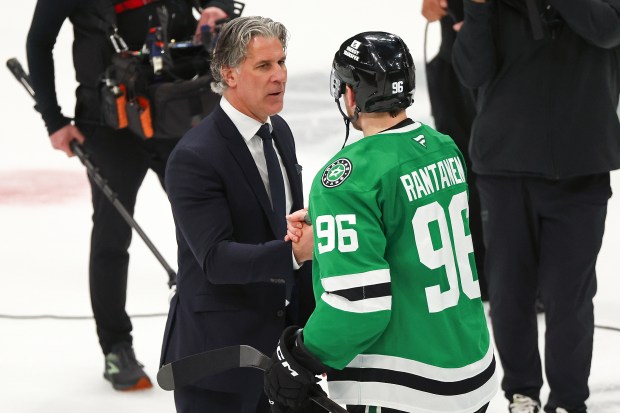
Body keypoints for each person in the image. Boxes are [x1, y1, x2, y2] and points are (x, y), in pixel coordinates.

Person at [263, 31, 498, 413]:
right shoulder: (443, 147)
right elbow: (407, 226)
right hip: (473, 369)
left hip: (407, 386)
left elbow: (357, 307)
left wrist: (301, 356)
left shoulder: (345, 179)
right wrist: (332, 223)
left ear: (351, 95)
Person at [26, 0, 235, 391]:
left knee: (207, 227)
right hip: (108, 119)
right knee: (112, 233)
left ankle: (219, 335)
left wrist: (217, 9)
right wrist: (54, 121)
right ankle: (116, 347)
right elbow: (39, 42)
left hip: (176, 105)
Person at [451, 1, 620, 412]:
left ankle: (567, 400)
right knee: (509, 293)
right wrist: (475, 12)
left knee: (570, 297)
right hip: (504, 169)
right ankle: (522, 391)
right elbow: (470, 71)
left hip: (582, 169)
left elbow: (606, 30)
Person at [161, 16, 315, 413]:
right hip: (219, 362)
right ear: (229, 74)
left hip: (281, 354)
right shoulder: (195, 157)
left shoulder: (279, 131)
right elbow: (215, 259)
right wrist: (295, 253)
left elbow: (283, 223)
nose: (279, 75)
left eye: (281, 62)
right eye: (264, 66)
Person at [420, 0, 488, 301]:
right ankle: (480, 270)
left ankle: (522, 273)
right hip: (455, 64)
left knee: (507, 172)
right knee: (458, 170)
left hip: (504, 63)